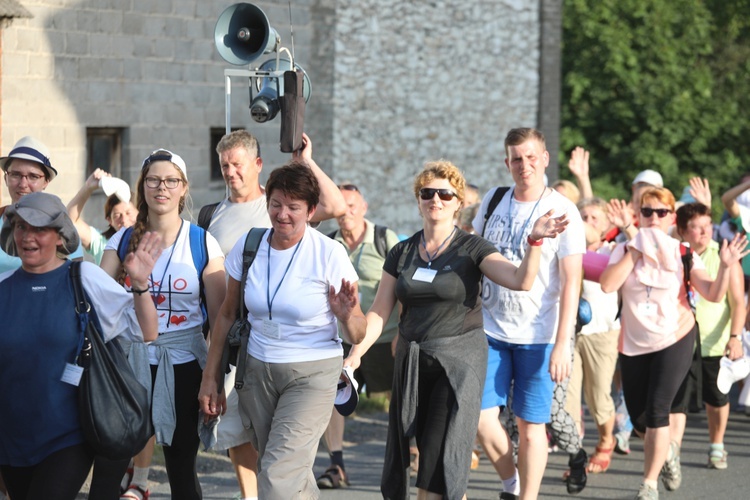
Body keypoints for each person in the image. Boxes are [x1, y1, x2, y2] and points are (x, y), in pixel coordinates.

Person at [347, 160, 569, 500]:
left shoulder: (472, 248)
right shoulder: (402, 252)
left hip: (457, 366)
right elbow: (378, 313)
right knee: (430, 456)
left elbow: (521, 280)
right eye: (428, 193)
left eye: (445, 194)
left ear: (459, 202)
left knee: (435, 463)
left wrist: (534, 244)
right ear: (418, 199)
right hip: (413, 364)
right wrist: (354, 355)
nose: (436, 199)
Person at [198, 161, 365, 499]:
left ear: (311, 210)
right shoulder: (251, 245)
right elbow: (227, 314)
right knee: (287, 473)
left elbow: (358, 333)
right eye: (275, 204)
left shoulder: (329, 254)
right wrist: (211, 377)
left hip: (312, 373)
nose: (282, 214)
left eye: (293, 207)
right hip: (257, 371)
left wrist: (346, 315)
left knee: (276, 475)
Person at [0, 192, 161, 500]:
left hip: (68, 436)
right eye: (21, 227)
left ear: (61, 237)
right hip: (12, 436)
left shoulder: (82, 277)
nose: (27, 237)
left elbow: (147, 332)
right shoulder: (3, 287)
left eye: (39, 229)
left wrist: (139, 285)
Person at [600, 186, 748, 500]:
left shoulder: (683, 252)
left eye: (661, 212)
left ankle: (649, 484)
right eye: (647, 212)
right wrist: (634, 252)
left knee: (657, 413)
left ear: (671, 218)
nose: (654, 218)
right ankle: (667, 452)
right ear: (639, 216)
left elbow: (713, 294)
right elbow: (607, 284)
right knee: (641, 421)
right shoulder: (625, 248)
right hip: (634, 343)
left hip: (675, 337)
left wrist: (724, 266)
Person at [98, 149, 226, 500]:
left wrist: (214, 378)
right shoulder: (121, 240)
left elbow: (219, 319)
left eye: (171, 180)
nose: (162, 188)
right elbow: (97, 302)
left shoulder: (202, 242)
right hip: (129, 363)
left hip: (183, 363)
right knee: (110, 465)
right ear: (143, 186)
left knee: (181, 468)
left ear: (183, 188)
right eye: (154, 180)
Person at [472, 128, 585, 500]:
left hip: (539, 335)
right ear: (507, 163)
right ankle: (512, 482)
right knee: (482, 418)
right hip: (490, 329)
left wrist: (562, 344)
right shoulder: (493, 200)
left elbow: (572, 281)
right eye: (517, 159)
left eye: (532, 157)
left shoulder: (564, 210)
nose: (525, 165)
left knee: (531, 426)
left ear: (545, 159)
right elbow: (472, 255)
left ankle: (528, 497)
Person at [316, 182, 401, 489]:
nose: (346, 212)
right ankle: (336, 465)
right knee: (333, 400)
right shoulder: (328, 243)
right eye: (341, 207)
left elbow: (402, 288)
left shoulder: (383, 239)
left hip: (382, 337)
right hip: (341, 339)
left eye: (352, 206)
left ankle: (410, 453)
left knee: (400, 399)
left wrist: (402, 333)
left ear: (364, 208)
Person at [674, 201, 745, 470]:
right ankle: (672, 452)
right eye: (695, 227)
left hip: (714, 342)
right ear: (682, 230)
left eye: (707, 225)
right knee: (676, 400)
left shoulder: (724, 256)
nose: (704, 232)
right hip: (679, 340)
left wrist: (735, 337)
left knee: (716, 398)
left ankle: (717, 445)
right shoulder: (675, 254)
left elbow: (738, 302)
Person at [565, 198, 621, 475]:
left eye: (594, 218)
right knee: (569, 400)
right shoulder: (568, 250)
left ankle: (605, 440)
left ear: (607, 225)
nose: (587, 221)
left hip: (602, 334)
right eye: (582, 216)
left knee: (599, 398)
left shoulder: (614, 251)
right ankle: (577, 458)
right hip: (570, 334)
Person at [0, 136, 84, 274]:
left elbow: (75, 278)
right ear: (6, 178)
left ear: (46, 182)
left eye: (33, 176)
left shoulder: (60, 227)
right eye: (15, 175)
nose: (23, 184)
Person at [67, 168, 138, 264]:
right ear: (109, 220)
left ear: (139, 213)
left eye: (128, 213)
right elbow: (70, 221)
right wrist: (88, 187)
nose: (124, 220)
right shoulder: (102, 243)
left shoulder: (151, 240)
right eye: (117, 215)